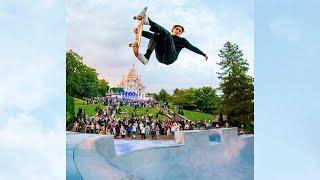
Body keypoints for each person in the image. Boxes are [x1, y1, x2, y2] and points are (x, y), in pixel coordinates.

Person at [135, 9, 208, 65]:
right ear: (173, 29)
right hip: (160, 57)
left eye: (180, 31)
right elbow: (151, 36)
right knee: (155, 35)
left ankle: (149, 21)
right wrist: (140, 32)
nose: (178, 31)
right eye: (177, 29)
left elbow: (192, 47)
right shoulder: (166, 36)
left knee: (167, 35)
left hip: (170, 58)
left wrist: (203, 54)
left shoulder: (182, 41)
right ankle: (146, 57)